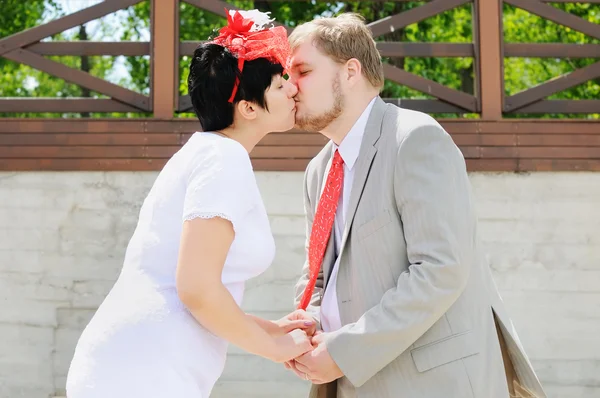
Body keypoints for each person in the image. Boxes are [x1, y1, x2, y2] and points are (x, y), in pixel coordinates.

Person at [283, 13, 547, 398]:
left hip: (433, 384)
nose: (291, 87)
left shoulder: (415, 139)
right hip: (351, 385)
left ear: (351, 72)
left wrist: (344, 351)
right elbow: (318, 275)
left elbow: (441, 269)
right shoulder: (318, 170)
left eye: (302, 71)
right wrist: (307, 322)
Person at [65, 10, 314, 398]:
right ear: (248, 107)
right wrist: (273, 347)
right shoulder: (223, 159)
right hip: (143, 370)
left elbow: (186, 285)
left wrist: (267, 330)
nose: (293, 90)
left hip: (143, 361)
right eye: (281, 85)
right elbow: (195, 289)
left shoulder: (209, 153)